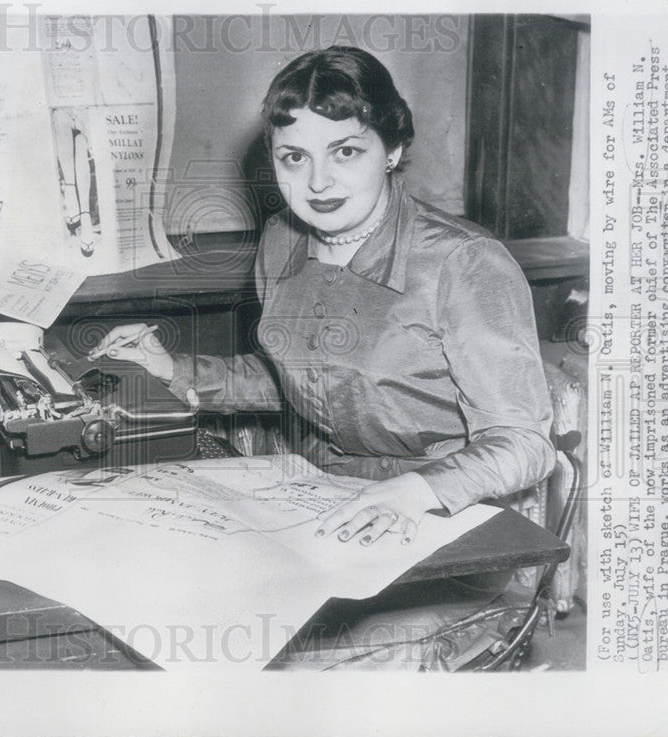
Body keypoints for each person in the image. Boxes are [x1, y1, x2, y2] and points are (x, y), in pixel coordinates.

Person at [90, 46, 554, 548]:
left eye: (346, 152)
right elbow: (297, 377)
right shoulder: (282, 240)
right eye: (295, 157)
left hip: (440, 514)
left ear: (392, 151)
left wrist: (418, 490)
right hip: (318, 494)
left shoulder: (464, 263)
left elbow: (524, 443)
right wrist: (173, 370)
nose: (317, 182)